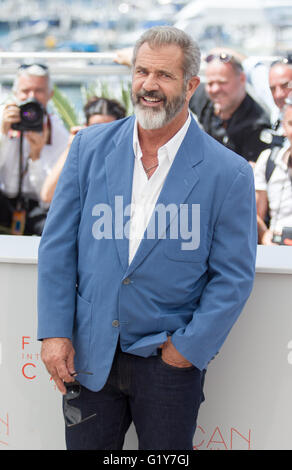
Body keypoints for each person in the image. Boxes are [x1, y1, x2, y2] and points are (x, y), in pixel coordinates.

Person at [38, 26, 257, 450]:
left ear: (191, 85)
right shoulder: (89, 148)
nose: (149, 86)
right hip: (87, 356)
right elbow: (57, 246)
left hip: (168, 366)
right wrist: (54, 332)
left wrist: (185, 351)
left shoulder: (228, 173)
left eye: (164, 75)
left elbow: (233, 277)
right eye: (141, 72)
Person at [0, 64, 69, 235]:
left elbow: (47, 198)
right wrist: (3, 135)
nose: (32, 97)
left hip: (35, 205)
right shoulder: (4, 118)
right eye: (25, 91)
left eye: (39, 91)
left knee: (52, 228)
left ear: (50, 95)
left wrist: (36, 155)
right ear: (15, 94)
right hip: (3, 199)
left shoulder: (58, 132)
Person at [40, 96, 126, 204]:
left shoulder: (128, 158)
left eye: (109, 129)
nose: (103, 136)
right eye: (96, 129)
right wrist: (71, 148)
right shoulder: (80, 160)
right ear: (85, 128)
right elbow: (47, 195)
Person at [189, 51, 271, 163]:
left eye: (222, 82)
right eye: (210, 83)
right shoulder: (201, 97)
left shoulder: (257, 124)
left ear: (242, 79)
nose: (215, 89)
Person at [254, 100, 292, 245]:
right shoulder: (268, 160)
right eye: (291, 124)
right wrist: (265, 234)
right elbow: (257, 215)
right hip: (277, 249)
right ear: (283, 126)